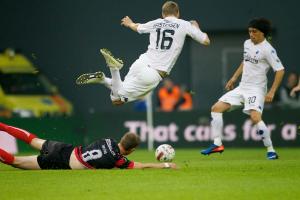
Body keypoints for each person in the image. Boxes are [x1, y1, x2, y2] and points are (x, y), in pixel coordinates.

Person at [76, 1, 210, 105]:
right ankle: (114, 68)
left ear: (163, 14)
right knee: (117, 100)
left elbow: (137, 27)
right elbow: (206, 41)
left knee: (118, 90)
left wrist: (129, 23)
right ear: (178, 13)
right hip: (154, 73)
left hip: (142, 62)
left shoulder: (156, 23)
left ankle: (103, 79)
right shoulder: (184, 24)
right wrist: (196, 27)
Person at [201, 18, 285, 160]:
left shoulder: (268, 50)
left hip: (256, 89)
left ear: (263, 33)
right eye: (250, 31)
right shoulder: (247, 43)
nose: (251, 34)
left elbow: (280, 70)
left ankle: (271, 150)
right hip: (242, 87)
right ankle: (217, 144)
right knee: (215, 108)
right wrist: (234, 78)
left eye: (254, 31)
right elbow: (245, 61)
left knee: (255, 117)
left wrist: (271, 91)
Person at [0, 122, 176, 170]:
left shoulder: (108, 140)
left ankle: (2, 126)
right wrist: (165, 165)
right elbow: (140, 166)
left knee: (33, 139)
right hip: (61, 162)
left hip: (65, 148)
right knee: (15, 161)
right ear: (132, 150)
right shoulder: (117, 160)